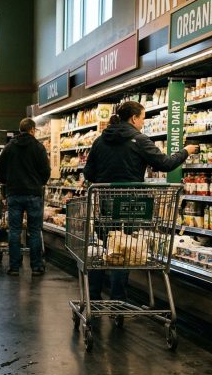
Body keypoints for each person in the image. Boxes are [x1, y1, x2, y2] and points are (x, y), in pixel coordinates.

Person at [83, 101, 198, 302]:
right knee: (124, 247)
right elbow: (165, 164)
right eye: (143, 118)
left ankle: (93, 297)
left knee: (104, 247)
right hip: (130, 203)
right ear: (134, 118)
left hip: (104, 201)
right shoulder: (139, 139)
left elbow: (89, 172)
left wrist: (106, 180)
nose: (143, 123)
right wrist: (186, 151)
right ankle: (118, 299)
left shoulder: (100, 141)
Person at [0, 117, 50, 276]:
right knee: (34, 231)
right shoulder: (38, 147)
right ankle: (36, 267)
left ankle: (14, 267)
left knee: (14, 231)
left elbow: (0, 171)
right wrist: (37, 183)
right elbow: (45, 172)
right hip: (33, 194)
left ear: (20, 130)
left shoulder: (9, 147)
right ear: (32, 130)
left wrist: (9, 182)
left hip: (14, 194)